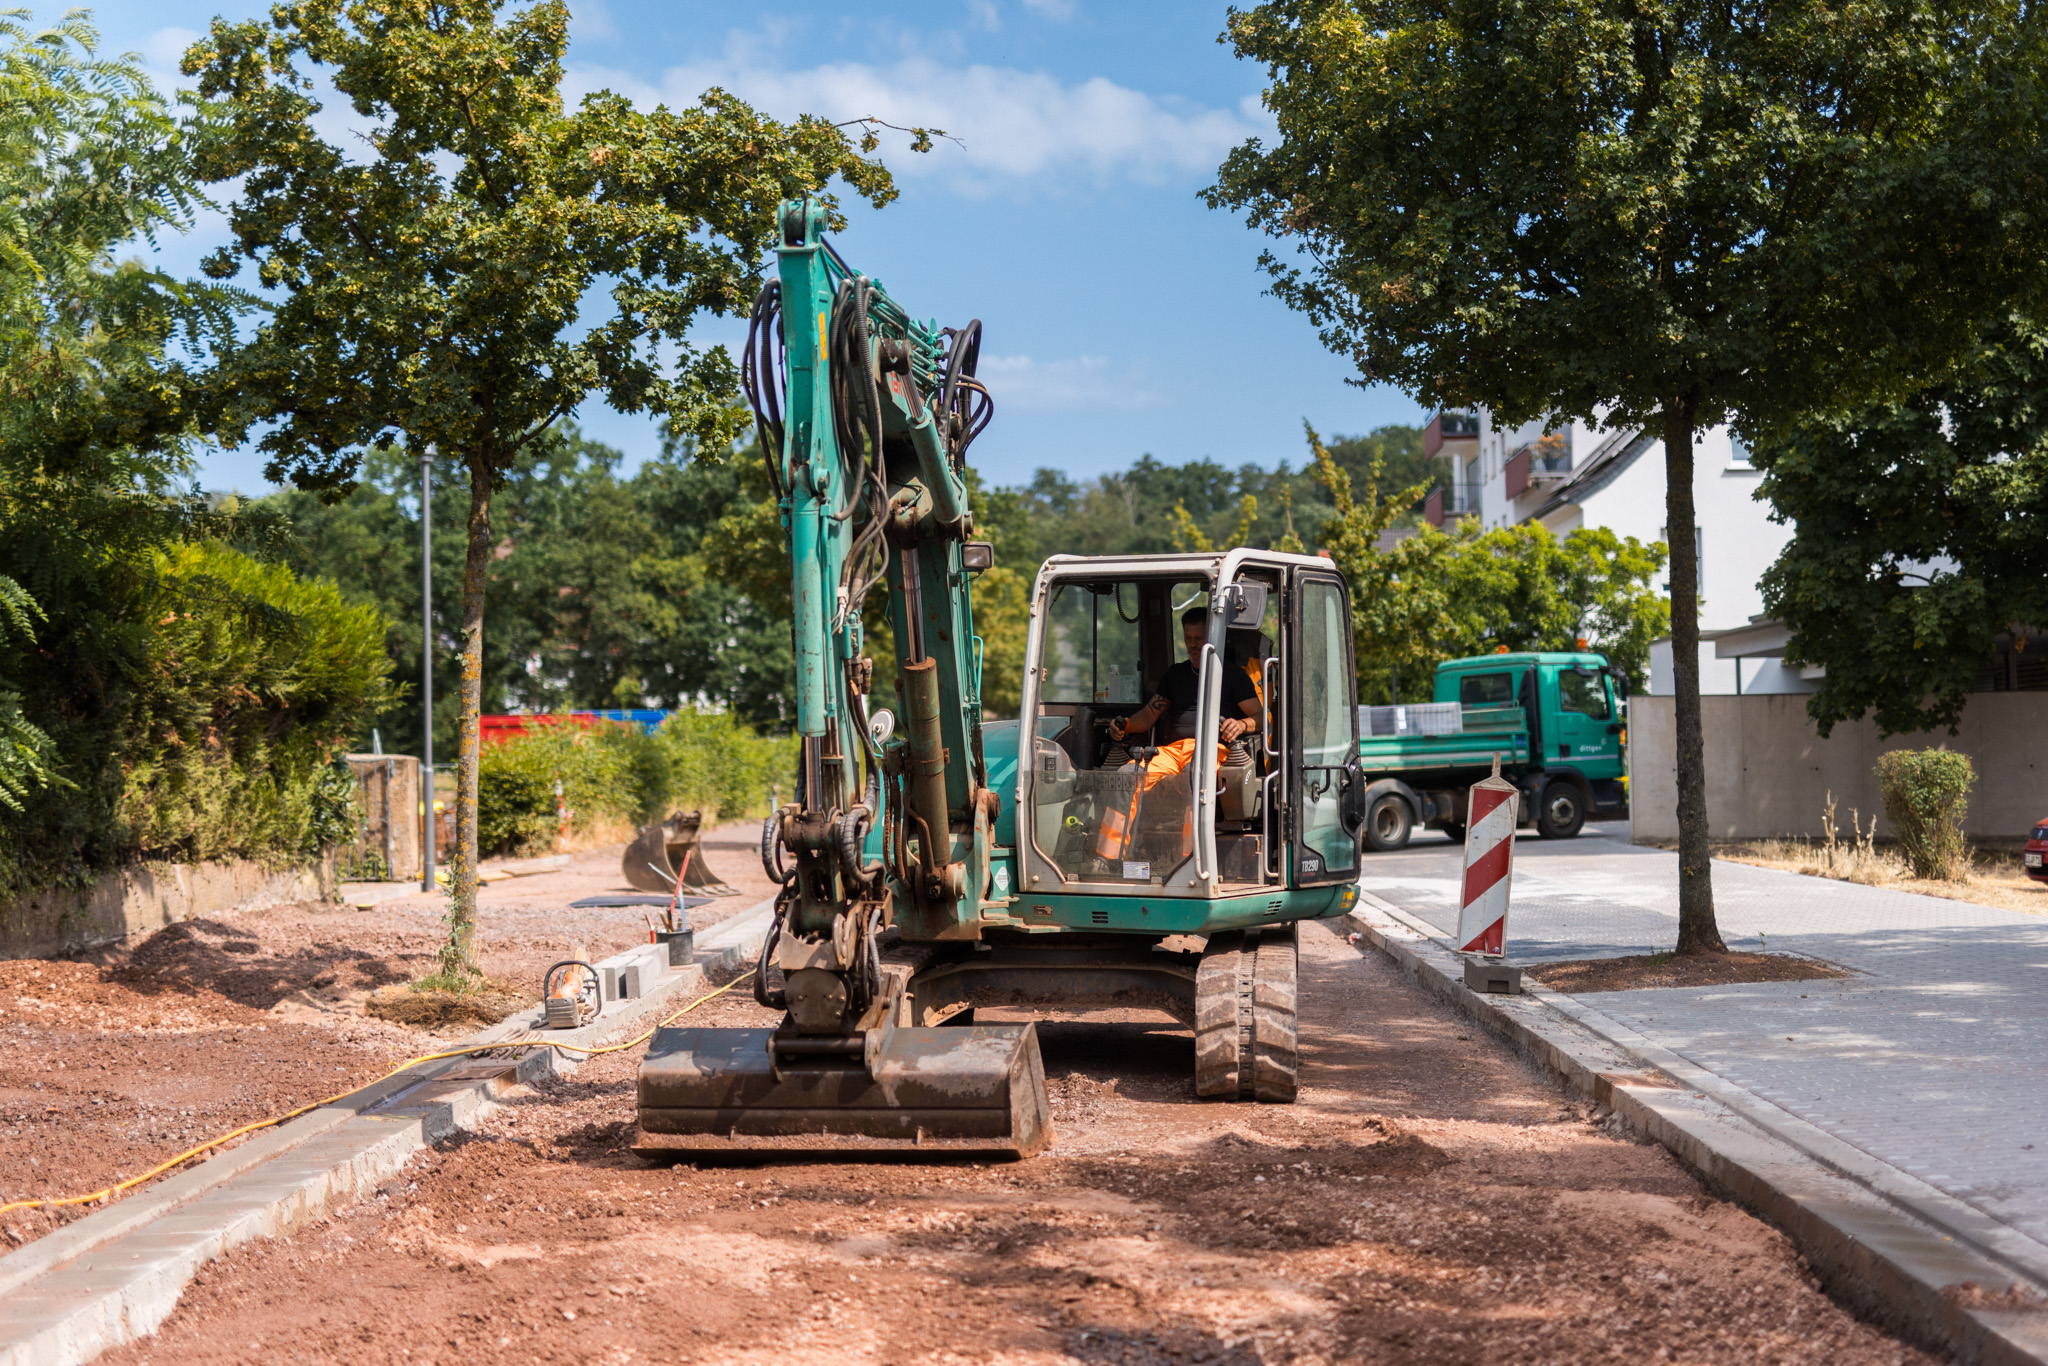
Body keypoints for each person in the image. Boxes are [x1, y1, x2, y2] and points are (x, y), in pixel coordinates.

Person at [1093, 608, 1262, 863]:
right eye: (1188, 639)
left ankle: (1188, 861)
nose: (1193, 645)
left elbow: (1260, 717)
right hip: (1174, 750)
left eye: (1199, 639)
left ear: (1214, 638)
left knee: (1194, 775)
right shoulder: (1175, 674)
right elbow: (1149, 716)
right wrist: (1125, 725)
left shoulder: (1233, 675)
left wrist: (1240, 725)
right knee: (1127, 775)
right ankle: (1108, 858)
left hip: (1214, 748)